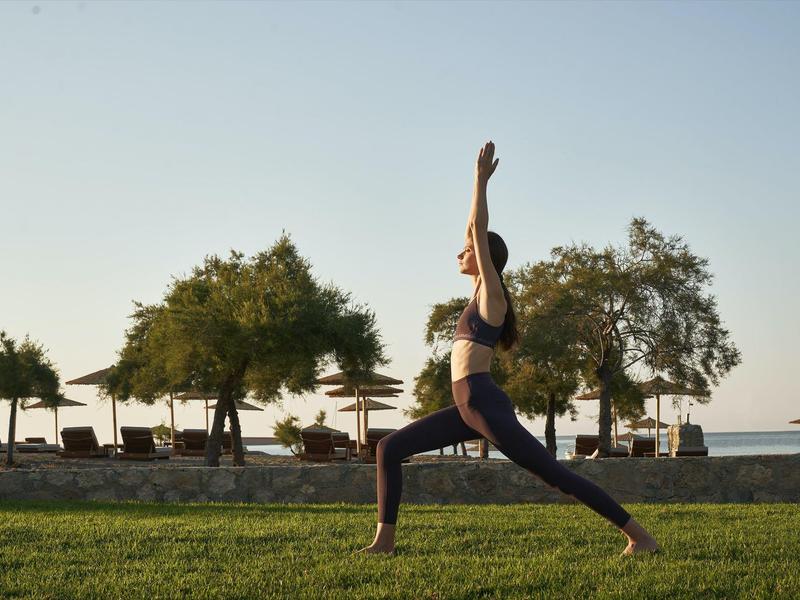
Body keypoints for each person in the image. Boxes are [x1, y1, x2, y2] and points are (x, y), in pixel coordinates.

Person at [357, 141, 660, 557]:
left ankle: (639, 537)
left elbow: (477, 230)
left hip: (483, 403)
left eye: (467, 251)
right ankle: (384, 542)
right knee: (388, 448)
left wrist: (480, 182)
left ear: (485, 258)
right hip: (467, 405)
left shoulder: (492, 296)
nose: (460, 251)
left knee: (555, 475)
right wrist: (473, 188)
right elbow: (471, 229)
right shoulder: (477, 291)